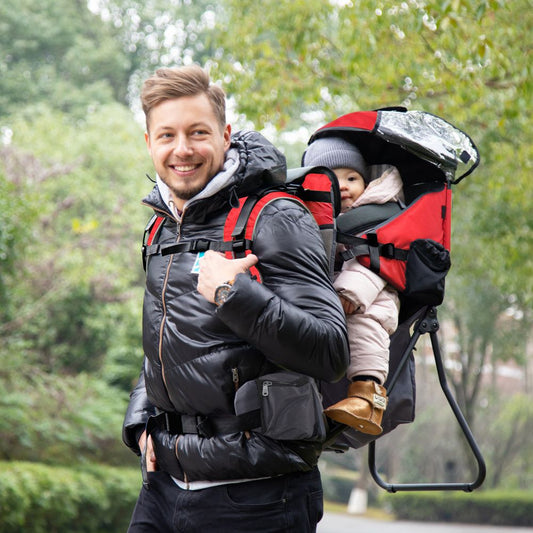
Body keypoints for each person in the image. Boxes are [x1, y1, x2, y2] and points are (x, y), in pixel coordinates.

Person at [122, 65, 349, 533]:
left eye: (197, 132)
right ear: (149, 142)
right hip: (164, 487)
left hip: (259, 494)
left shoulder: (275, 217)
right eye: (167, 135)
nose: (182, 149)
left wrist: (234, 295)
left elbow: (329, 352)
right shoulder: (161, 226)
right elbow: (164, 342)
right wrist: (141, 421)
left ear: (225, 135)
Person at [303, 136, 404, 435]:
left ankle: (368, 394)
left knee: (366, 325)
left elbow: (377, 264)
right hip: (329, 297)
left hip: (371, 294)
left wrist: (349, 293)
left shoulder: (378, 214)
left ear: (367, 181)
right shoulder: (312, 219)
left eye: (352, 177)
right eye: (333, 181)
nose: (344, 186)